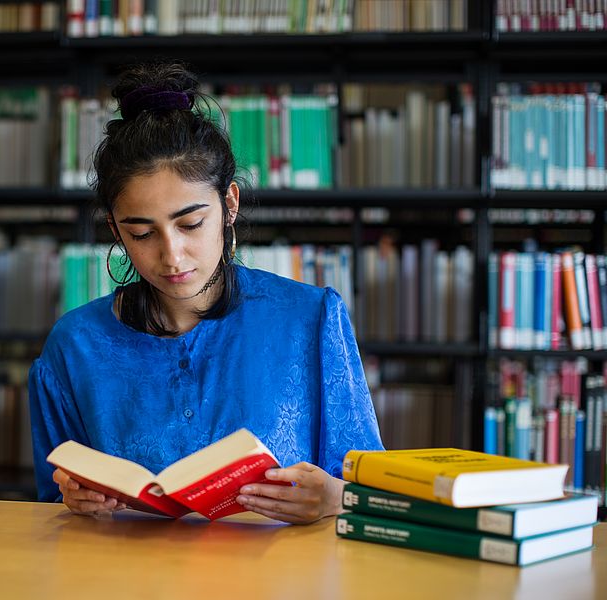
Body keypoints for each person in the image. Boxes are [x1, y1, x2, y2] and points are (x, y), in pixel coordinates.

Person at [28, 62, 383, 525]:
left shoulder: (310, 320)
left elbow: (371, 491)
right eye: (141, 233)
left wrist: (337, 499)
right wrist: (74, 503)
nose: (172, 256)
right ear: (115, 228)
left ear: (229, 204)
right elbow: (49, 505)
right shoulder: (74, 346)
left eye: (190, 224)